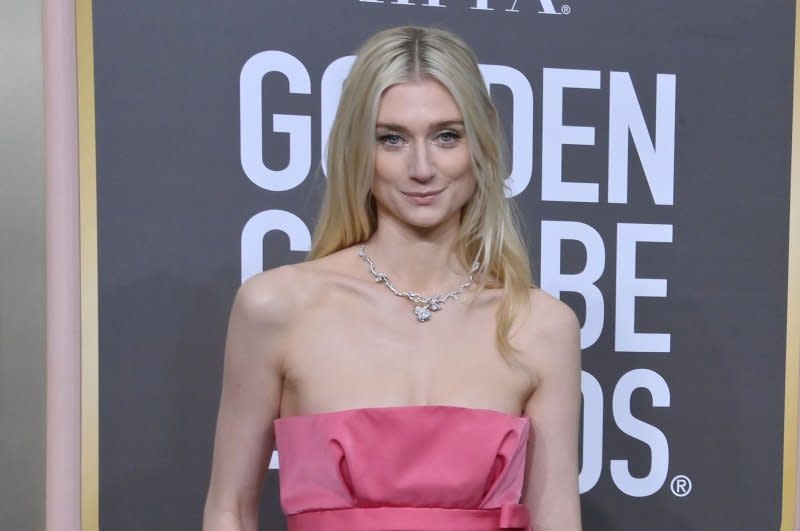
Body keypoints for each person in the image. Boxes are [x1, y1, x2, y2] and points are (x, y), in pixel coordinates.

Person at [203, 26, 582, 531]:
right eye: (392, 139)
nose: (421, 167)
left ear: (482, 145)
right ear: (359, 149)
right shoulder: (277, 307)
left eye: (447, 136)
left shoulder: (540, 325)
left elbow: (557, 519)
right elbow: (230, 508)